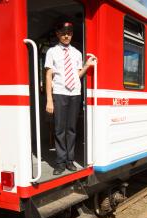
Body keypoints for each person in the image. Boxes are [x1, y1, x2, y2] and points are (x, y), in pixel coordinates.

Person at [45, 22, 96, 175]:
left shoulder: (77, 53)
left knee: (71, 129)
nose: (66, 35)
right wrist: (49, 99)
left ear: (72, 34)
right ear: (57, 34)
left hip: (74, 93)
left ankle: (70, 160)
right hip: (59, 93)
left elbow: (77, 75)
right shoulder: (52, 52)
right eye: (63, 32)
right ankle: (60, 162)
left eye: (69, 33)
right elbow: (48, 75)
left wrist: (86, 66)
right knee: (60, 129)